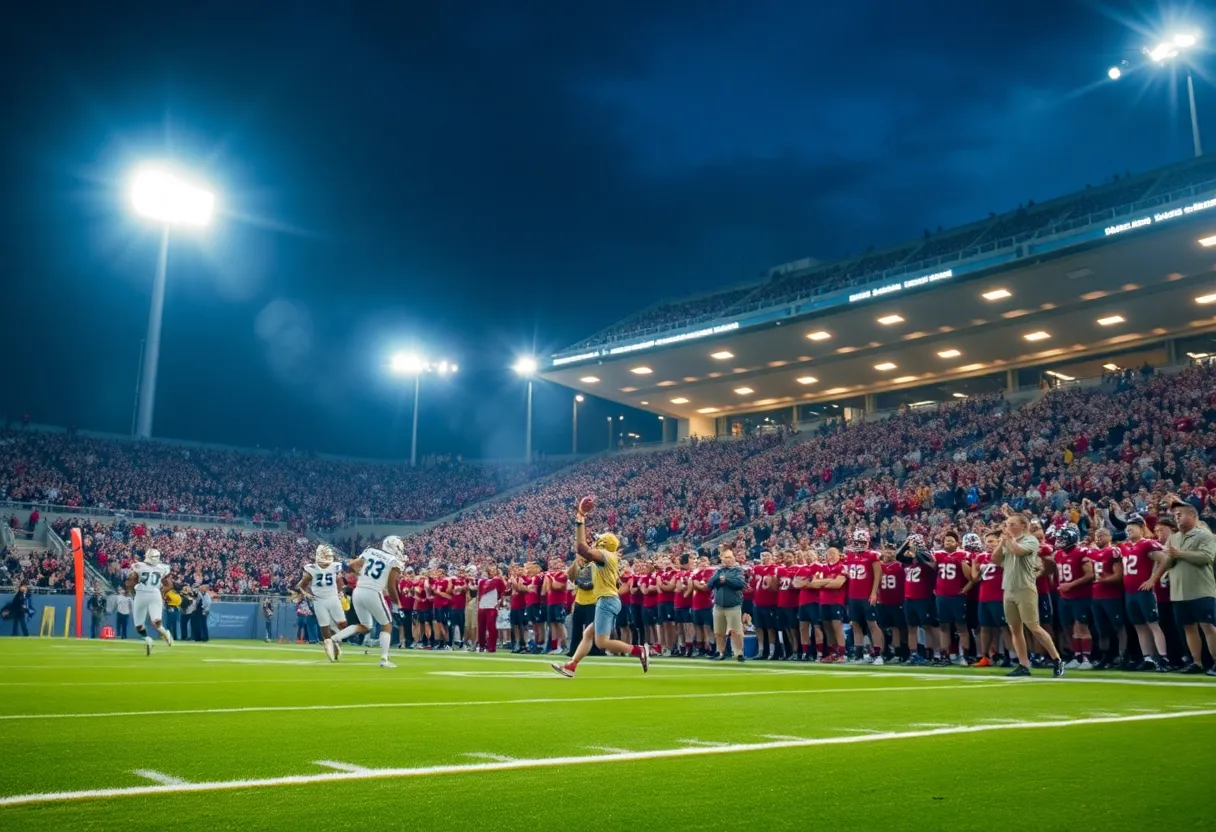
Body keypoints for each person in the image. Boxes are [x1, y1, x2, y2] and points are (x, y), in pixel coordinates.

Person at [551, 506, 649, 677]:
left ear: (603, 544)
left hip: (606, 600)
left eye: (598, 540)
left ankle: (638, 650)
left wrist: (580, 519)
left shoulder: (606, 555)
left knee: (602, 642)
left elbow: (581, 548)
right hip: (608, 599)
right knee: (588, 634)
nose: (595, 542)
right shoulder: (609, 557)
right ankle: (571, 665)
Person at [991, 512, 1063, 677]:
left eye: (1012, 524)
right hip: (1009, 588)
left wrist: (1008, 540)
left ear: (1023, 526)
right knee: (1015, 629)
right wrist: (1001, 543)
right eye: (1007, 524)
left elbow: (1018, 551)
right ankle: (1023, 664)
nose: (1008, 527)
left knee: (1033, 626)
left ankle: (1057, 659)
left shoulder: (1031, 540)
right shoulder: (1009, 542)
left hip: (1025, 588)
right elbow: (995, 559)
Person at [1154, 499, 1216, 675]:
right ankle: (1197, 662)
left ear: (1193, 515)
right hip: (1179, 592)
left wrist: (1179, 553)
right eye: (1175, 515)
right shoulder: (1174, 538)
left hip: (1201, 589)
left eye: (1180, 514)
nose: (1177, 518)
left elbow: (1206, 557)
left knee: (1208, 627)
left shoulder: (1206, 535)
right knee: (1189, 628)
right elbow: (1167, 561)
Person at [324, 536, 403, 668]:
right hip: (373, 592)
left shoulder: (371, 551)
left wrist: (362, 573)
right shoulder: (394, 561)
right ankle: (384, 659)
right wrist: (397, 602)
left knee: (365, 626)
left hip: (359, 590)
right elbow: (391, 586)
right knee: (387, 625)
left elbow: (351, 565)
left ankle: (334, 639)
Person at [125, 548, 174, 655]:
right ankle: (151, 639)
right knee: (142, 625)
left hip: (148, 594)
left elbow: (131, 578)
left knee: (152, 622)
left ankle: (162, 634)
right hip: (147, 594)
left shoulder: (140, 566)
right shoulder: (162, 568)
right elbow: (169, 584)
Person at [300, 545, 346, 658]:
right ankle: (330, 644)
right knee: (324, 625)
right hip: (319, 599)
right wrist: (308, 594)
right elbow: (303, 585)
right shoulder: (312, 569)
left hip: (332, 597)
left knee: (342, 624)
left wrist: (340, 591)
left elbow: (339, 580)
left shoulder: (334, 566)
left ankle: (335, 640)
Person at [707, 548, 746, 662]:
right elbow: (710, 584)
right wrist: (719, 578)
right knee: (719, 631)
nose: (727, 560)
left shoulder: (738, 570)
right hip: (719, 605)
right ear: (722, 559)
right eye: (725, 557)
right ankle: (720, 652)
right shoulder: (718, 571)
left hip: (733, 604)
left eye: (729, 557)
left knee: (736, 631)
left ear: (733, 558)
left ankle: (739, 653)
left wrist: (726, 580)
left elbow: (740, 584)